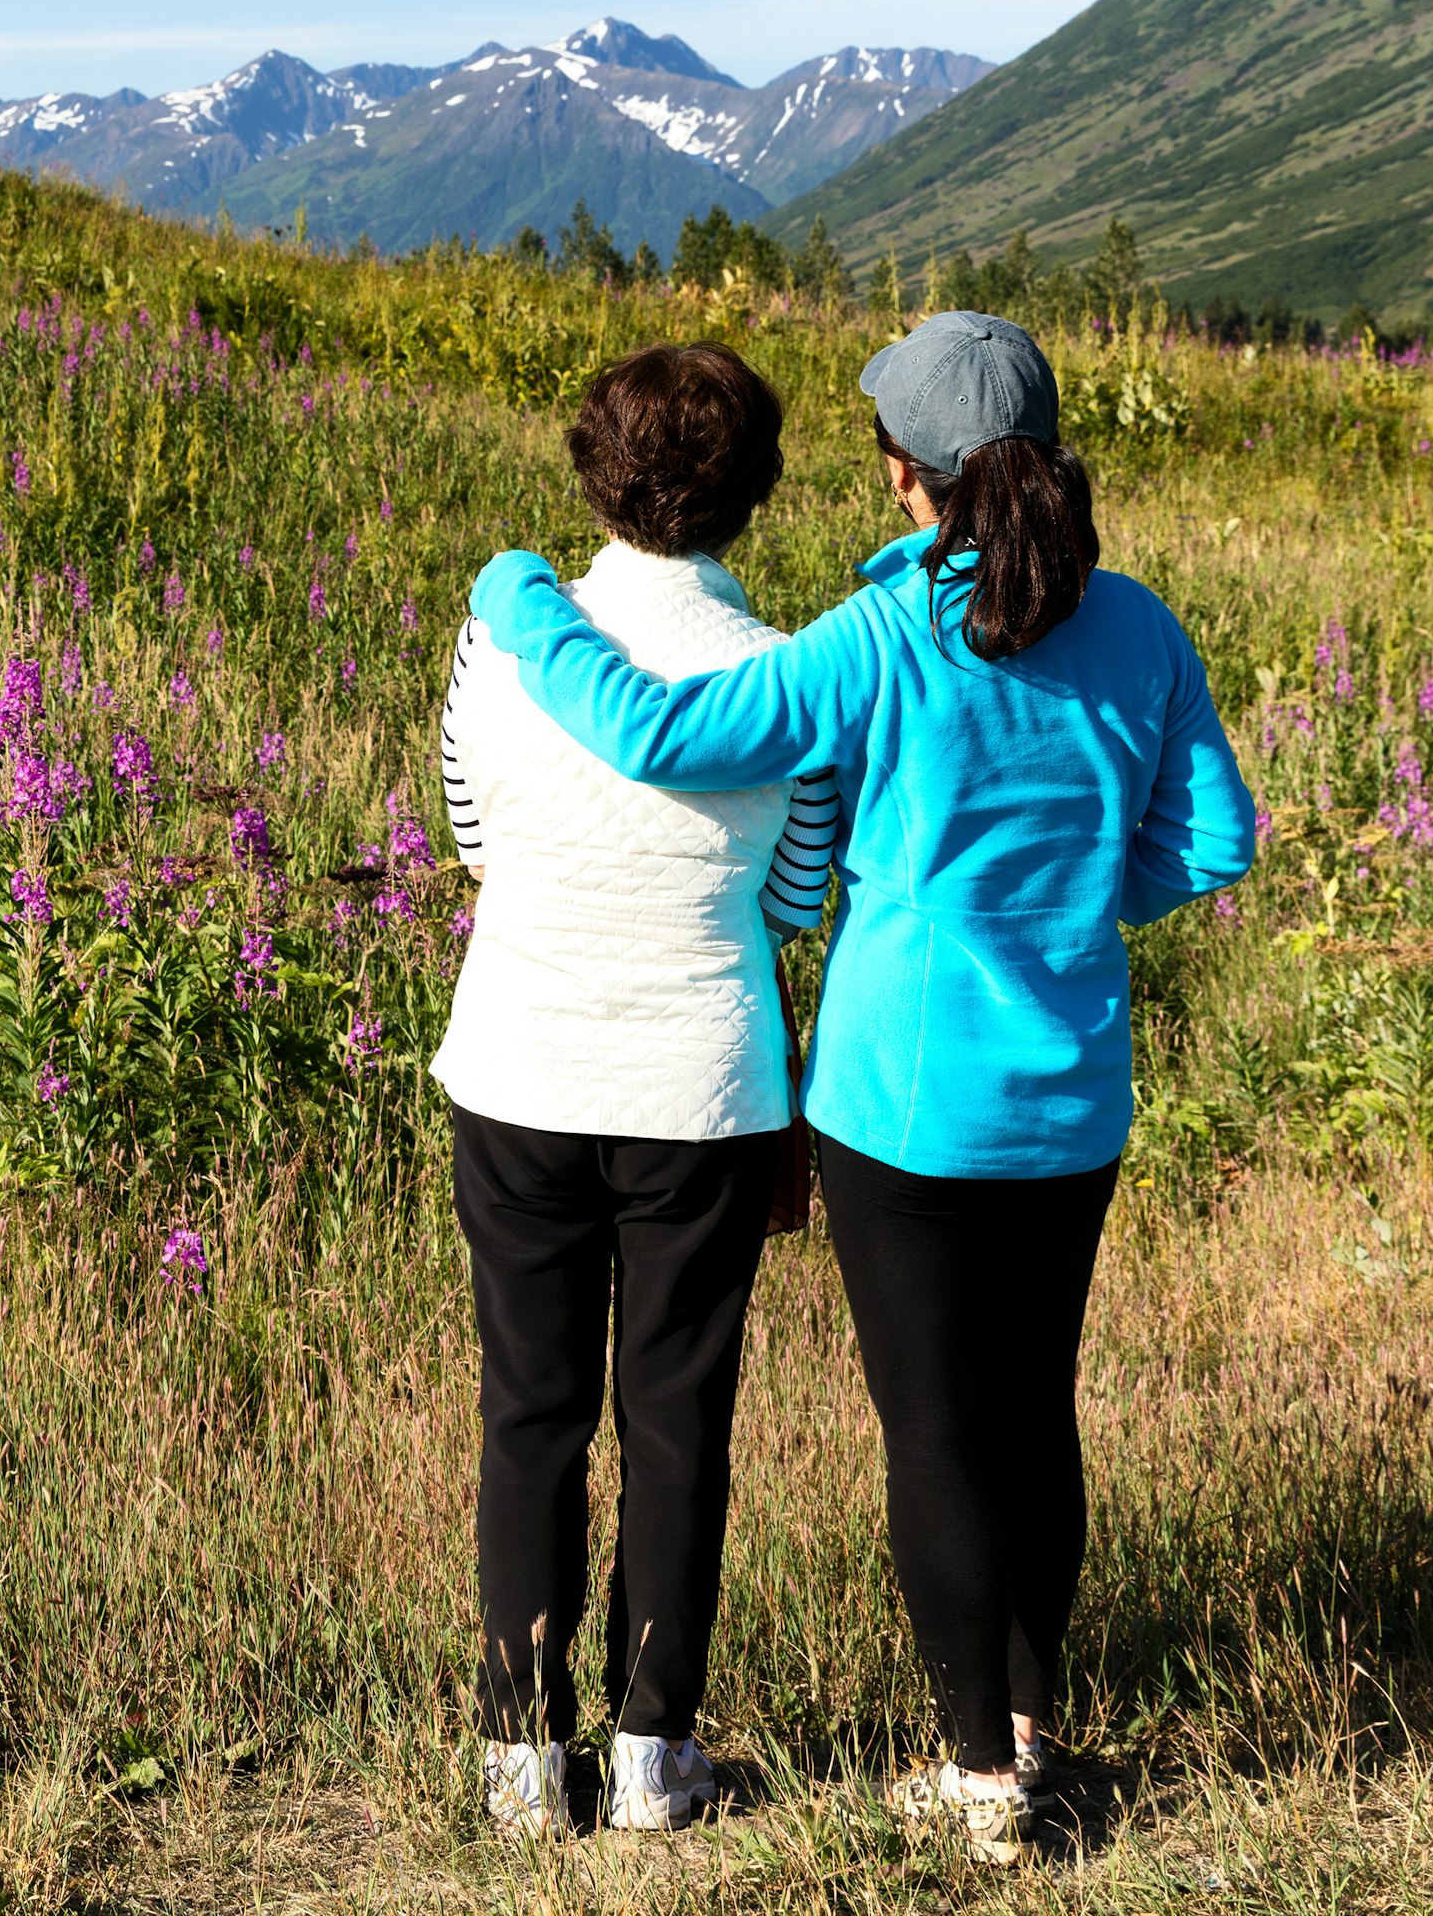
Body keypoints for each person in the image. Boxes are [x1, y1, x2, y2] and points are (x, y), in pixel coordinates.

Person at [464, 310, 1254, 1865]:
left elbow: (662, 729)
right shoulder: (1143, 629)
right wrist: (1079, 908)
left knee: (936, 1434)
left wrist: (521, 597)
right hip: (1076, 1088)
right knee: (1036, 1414)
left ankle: (977, 1779)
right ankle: (1027, 1730)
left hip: (898, 1100)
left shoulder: (883, 635)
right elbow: (1214, 842)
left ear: (906, 473)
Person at [430, 341, 838, 1842]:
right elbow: (796, 894)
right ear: (757, 494)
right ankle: (656, 1753)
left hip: (522, 1061)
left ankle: (523, 1762)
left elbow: (470, 826)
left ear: (591, 474)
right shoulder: (789, 673)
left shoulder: (506, 642)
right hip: (705, 1084)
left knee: (528, 1410)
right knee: (679, 1419)